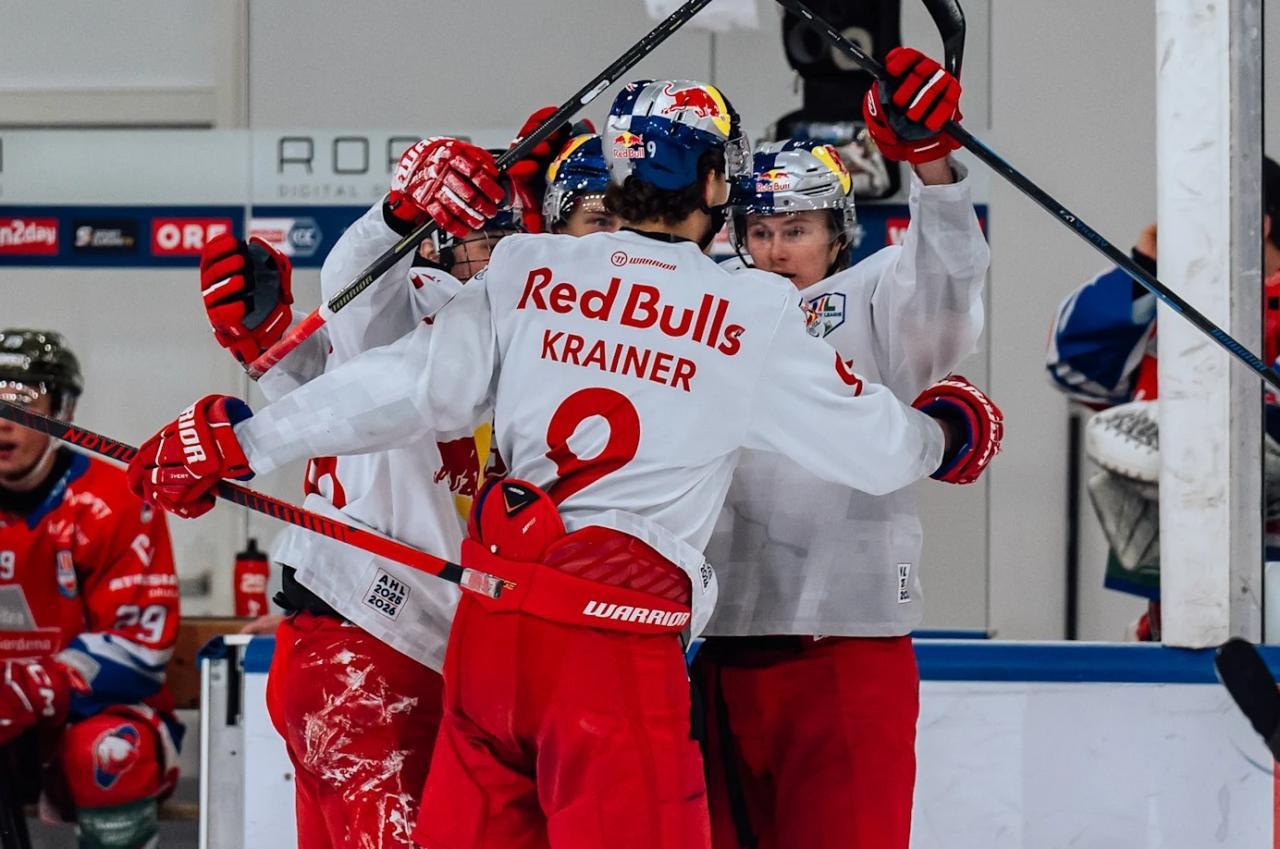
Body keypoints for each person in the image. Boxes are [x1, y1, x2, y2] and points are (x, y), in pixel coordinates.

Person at [127, 77, 1001, 849]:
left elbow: (402, 384)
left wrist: (245, 440)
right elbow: (884, 451)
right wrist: (945, 437)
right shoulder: (749, 309)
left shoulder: (522, 268)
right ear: (713, 185)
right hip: (613, 638)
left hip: (493, 631)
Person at [198, 119, 575, 848]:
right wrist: (396, 213)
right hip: (369, 641)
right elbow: (356, 295)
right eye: (485, 239)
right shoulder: (430, 300)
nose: (500, 258)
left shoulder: (538, 320)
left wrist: (275, 345)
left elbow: (344, 388)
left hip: (414, 646)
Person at [697, 44, 990, 849]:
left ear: (838, 234)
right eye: (759, 228)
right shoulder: (712, 308)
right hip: (715, 656)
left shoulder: (872, 298)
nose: (776, 248)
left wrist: (932, 161)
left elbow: (946, 284)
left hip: (847, 650)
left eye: (797, 228)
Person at [1045, 156, 1280, 638]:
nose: (1180, 227)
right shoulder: (1167, 305)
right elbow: (1070, 363)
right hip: (1178, 593)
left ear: (1259, 223)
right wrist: (1146, 269)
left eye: (1195, 211)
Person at [0, 328, 181, 849]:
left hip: (86, 714)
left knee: (110, 751)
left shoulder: (116, 500)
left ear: (60, 411)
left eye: (22, 401)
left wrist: (31, 687)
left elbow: (140, 646)